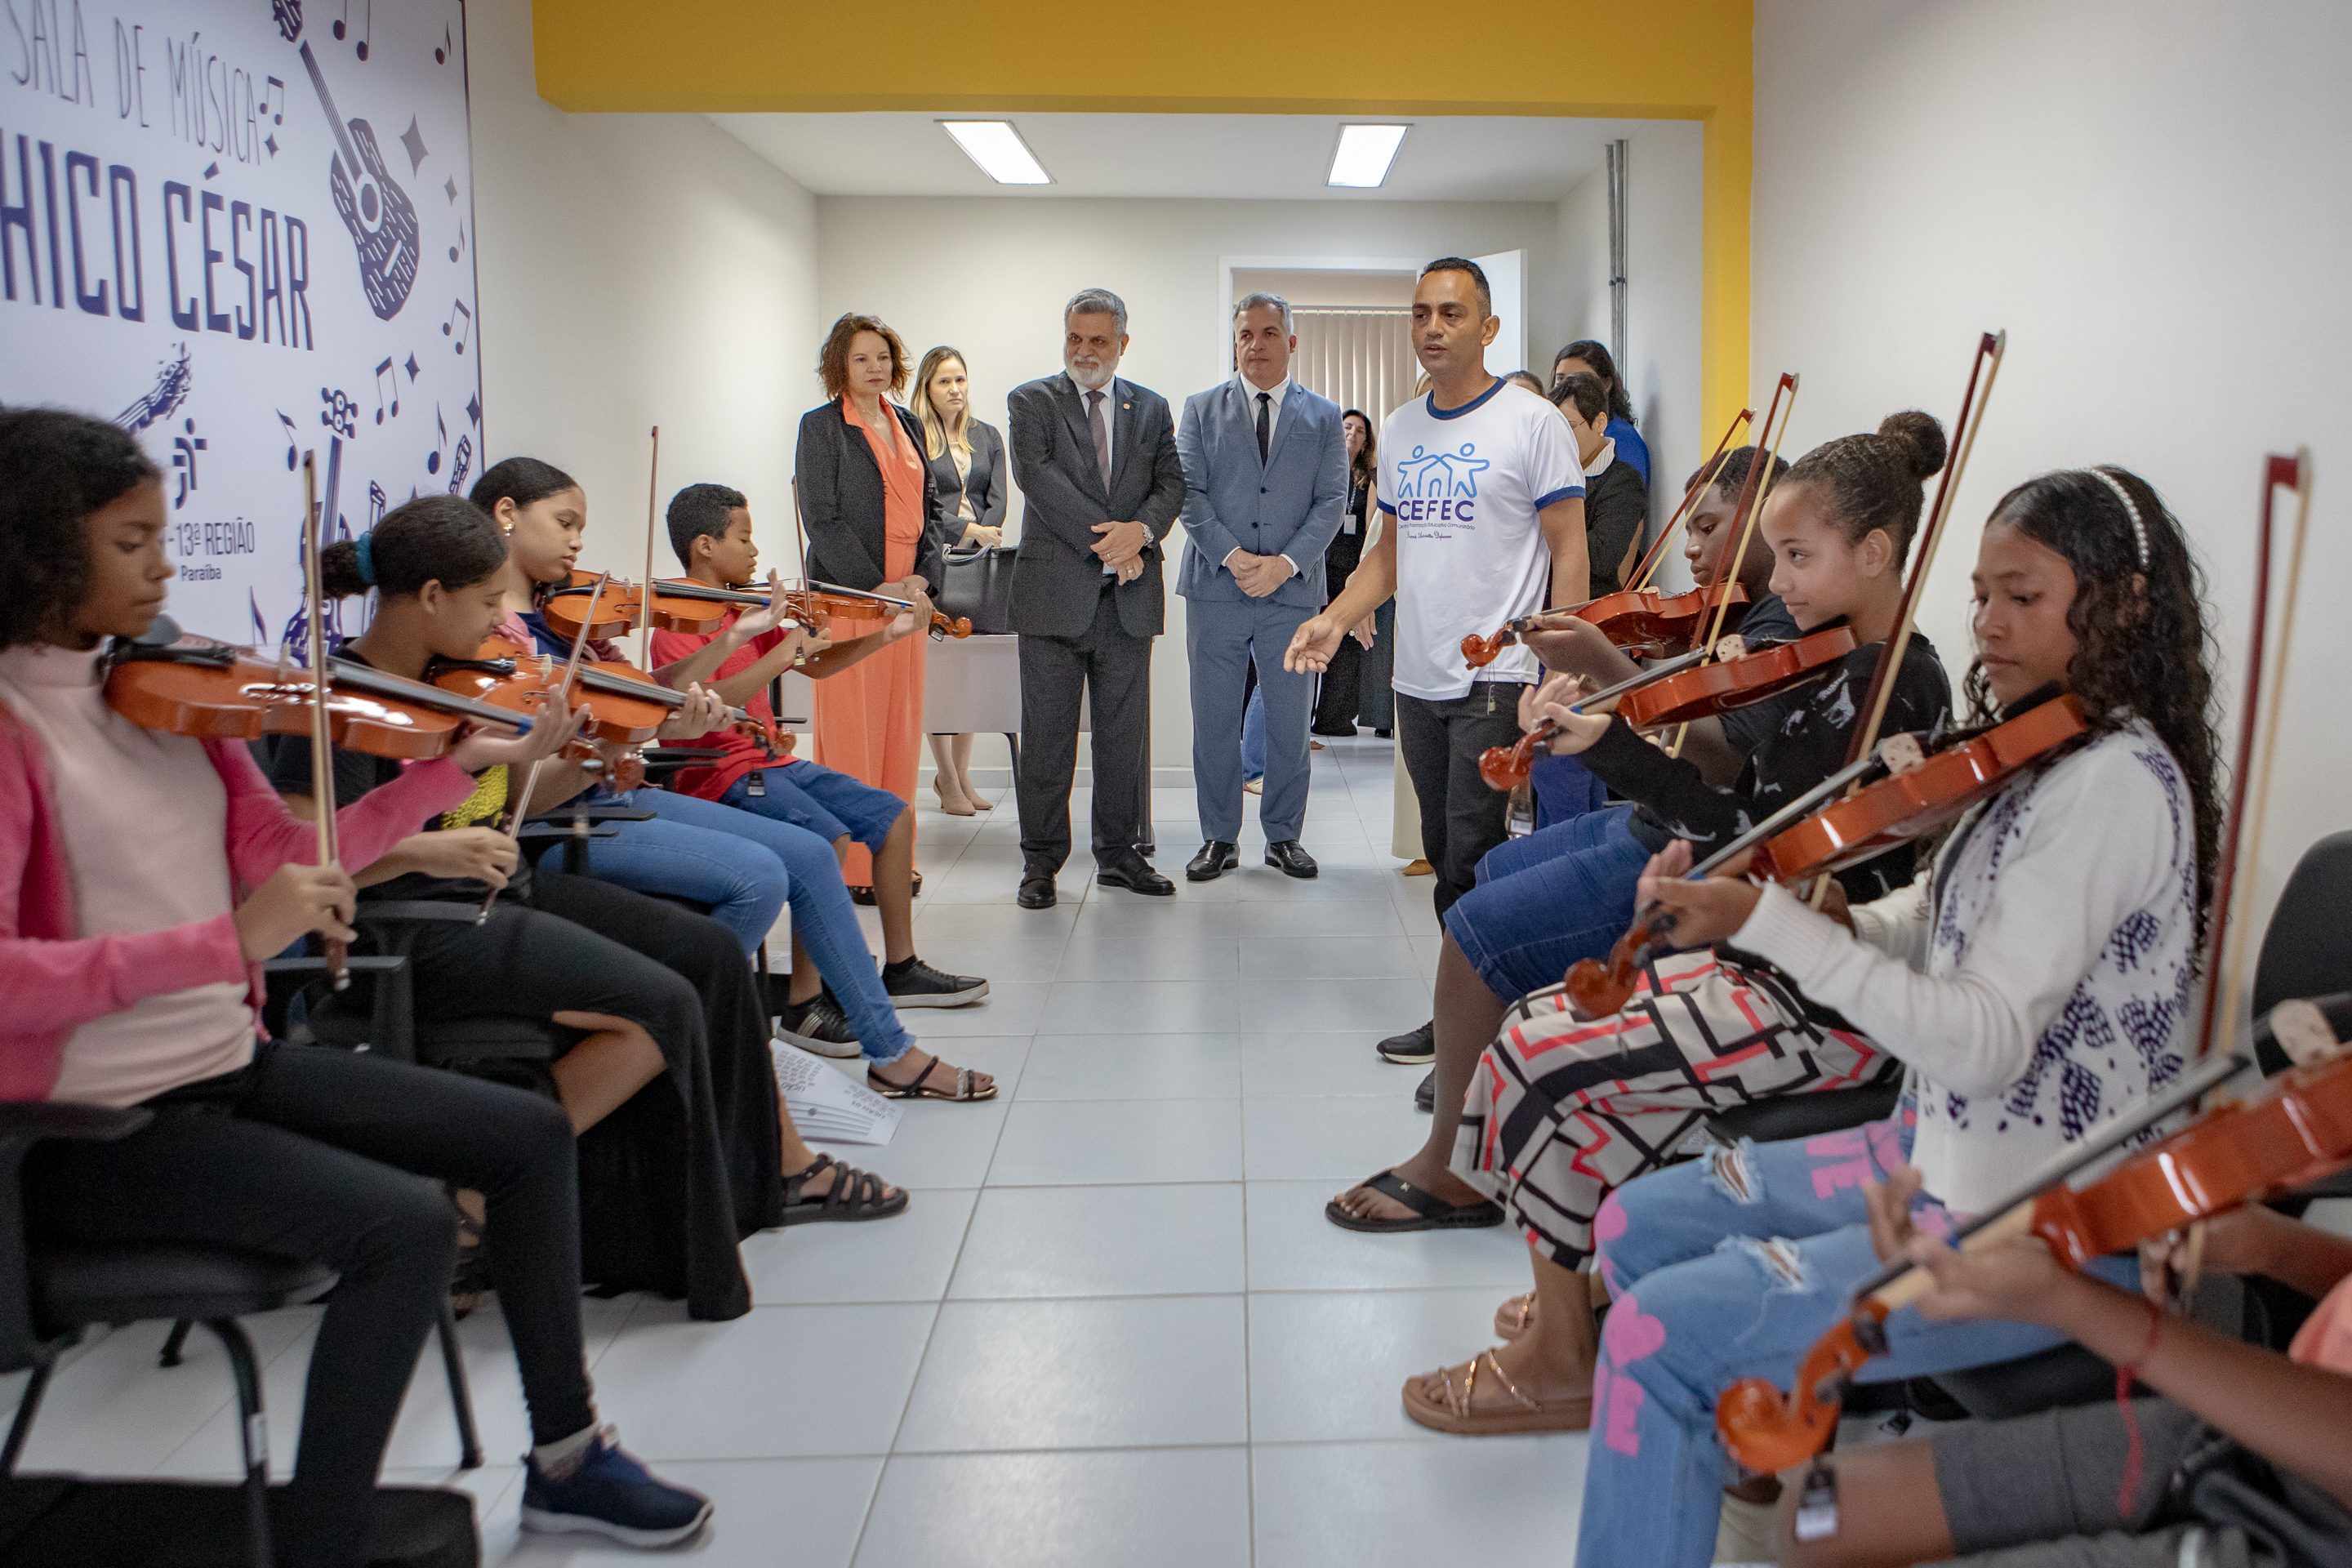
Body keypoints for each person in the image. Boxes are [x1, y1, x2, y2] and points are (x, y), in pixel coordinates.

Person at [0, 408, 711, 1562]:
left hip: (222, 1068)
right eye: (131, 544)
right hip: (79, 1131)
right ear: (36, 547)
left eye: (162, 536)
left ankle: (568, 1458)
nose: (165, 566)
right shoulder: (17, 727)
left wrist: (451, 773)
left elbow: (290, 861)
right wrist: (227, 944)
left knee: (528, 1137)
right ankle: (328, 1538)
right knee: (404, 1229)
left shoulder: (175, 698)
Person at [1548, 466, 2224, 1568]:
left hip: (2034, 1224)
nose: (1989, 625)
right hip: (1932, 1153)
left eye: (2024, 597)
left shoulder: (2115, 785)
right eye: (1981, 596)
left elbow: (1983, 1033)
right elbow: (1945, 923)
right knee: (1639, 1226)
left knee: (1655, 1333)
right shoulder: (2046, 752)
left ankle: (1702, 1456)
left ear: (2122, 605)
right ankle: (1745, 1465)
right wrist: (1834, 914)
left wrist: (1769, 922)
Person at [273, 497, 914, 1322]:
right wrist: (428, 851)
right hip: (411, 929)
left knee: (713, 959)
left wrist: (599, 759)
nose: (493, 630)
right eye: (480, 607)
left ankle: (780, 1167)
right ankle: (474, 1195)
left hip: (495, 892)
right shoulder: (340, 697)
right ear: (429, 597)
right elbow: (300, 856)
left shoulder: (451, 688)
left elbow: (502, 800)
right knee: (665, 1005)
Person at [1332, 412, 1952, 1230]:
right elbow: (1752, 820)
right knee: (1493, 892)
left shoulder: (1881, 686)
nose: (1783, 582)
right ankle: (1487, 1097)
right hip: (1729, 883)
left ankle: (1465, 1159)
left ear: (1874, 553)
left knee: (1483, 929)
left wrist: (1615, 739)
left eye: (1798, 557)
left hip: (1778, 949)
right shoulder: (1831, 657)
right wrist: (1615, 734)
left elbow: (1744, 830)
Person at [470, 458, 995, 1096]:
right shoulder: (488, 637)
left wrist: (729, 641)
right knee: (774, 870)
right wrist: (611, 745)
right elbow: (529, 786)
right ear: (506, 516)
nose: (579, 542)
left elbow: (651, 702)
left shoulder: (570, 620)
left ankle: (886, 1050)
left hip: (622, 793)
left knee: (811, 852)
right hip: (574, 818)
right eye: (565, 523)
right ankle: (686, 1015)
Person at [1285, 256, 1591, 1066]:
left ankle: (1483, 1033)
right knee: (1445, 856)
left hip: (1499, 670)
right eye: (1421, 312)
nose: (1432, 327)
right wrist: (1333, 617)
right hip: (1416, 676)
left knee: (1476, 852)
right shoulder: (1404, 426)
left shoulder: (1532, 423)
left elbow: (1569, 545)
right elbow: (1387, 554)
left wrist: (1561, 661)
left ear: (1487, 328)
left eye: (1451, 314)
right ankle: (1469, 1012)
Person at [1782, 1184, 2352, 1568]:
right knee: (1812, 1516)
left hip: (2321, 1518)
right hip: (2270, 1427)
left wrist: (2070, 1301)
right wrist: (2273, 1247)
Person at [651, 480, 988, 1015]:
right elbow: (703, 701)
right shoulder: (678, 623)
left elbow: (815, 665)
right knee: (825, 839)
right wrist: (782, 649)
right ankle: (807, 1002)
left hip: (770, 763)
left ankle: (900, 969)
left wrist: (886, 635)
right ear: (705, 546)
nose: (756, 551)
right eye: (744, 538)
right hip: (720, 775)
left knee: (894, 816)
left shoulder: (746, 611)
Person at [1006, 287, 1187, 908]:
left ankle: (1118, 855)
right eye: (1075, 339)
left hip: (1127, 604)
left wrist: (1142, 531)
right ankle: (1041, 865)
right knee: (1049, 742)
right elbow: (1039, 481)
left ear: (1123, 345)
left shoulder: (1152, 407)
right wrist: (1115, 542)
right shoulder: (1032, 401)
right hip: (1054, 600)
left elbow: (1172, 482)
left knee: (1122, 741)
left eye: (1098, 341)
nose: (1085, 351)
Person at [1174, 293, 1348, 883]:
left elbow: (1331, 503)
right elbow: (1188, 494)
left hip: (1291, 594)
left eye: (1269, 333)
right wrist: (1232, 554)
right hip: (1216, 588)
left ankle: (1283, 837)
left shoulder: (1324, 417)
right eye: (1245, 334)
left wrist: (1286, 564)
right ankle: (1219, 838)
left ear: (1291, 342)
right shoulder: (1200, 410)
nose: (1256, 345)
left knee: (1288, 721)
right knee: (1215, 721)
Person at [795, 313, 949, 893]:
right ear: (840, 366)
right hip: (851, 599)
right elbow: (822, 519)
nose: (875, 367)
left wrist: (922, 582)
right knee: (852, 729)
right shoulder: (820, 427)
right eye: (861, 359)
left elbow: (934, 510)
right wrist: (873, 586)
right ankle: (855, 870)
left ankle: (893, 859)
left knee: (900, 729)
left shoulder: (906, 421)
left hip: (909, 597)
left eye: (882, 357)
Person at [911, 344, 1005, 815]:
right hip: (934, 559)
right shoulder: (914, 436)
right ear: (928, 387)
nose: (955, 389)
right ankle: (945, 778)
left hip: (980, 563)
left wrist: (985, 533)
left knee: (968, 664)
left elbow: (999, 495)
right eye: (945, 381)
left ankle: (963, 776)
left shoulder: (986, 435)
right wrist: (966, 528)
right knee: (941, 668)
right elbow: (921, 505)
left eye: (961, 379)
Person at [1310, 409, 1382, 737]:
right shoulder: (1319, 469)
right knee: (1313, 638)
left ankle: (1333, 718)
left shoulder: (1371, 479)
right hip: (1316, 567)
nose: (1352, 434)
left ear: (1367, 440)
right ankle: (1300, 722)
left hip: (1351, 569)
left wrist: (1365, 572)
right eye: (1347, 427)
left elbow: (1372, 527)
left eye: (1360, 430)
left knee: (1346, 646)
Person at [1551, 371, 1649, 596]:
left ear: (1600, 422)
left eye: (1569, 427)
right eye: (1554, 429)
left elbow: (1602, 559)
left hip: (1589, 609)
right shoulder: (1547, 472)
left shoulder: (1623, 481)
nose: (1559, 438)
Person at [1552, 337, 1650, 487]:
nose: (1568, 387)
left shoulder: (1624, 440)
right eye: (1560, 379)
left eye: (1581, 379)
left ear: (1606, 384)